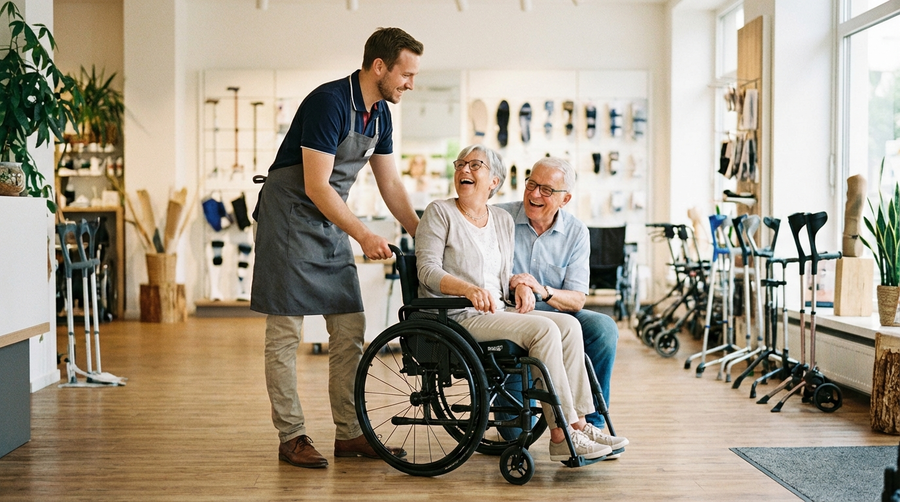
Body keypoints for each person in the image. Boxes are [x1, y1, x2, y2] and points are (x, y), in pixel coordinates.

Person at [250, 28, 423, 469]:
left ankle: (349, 433)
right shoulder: (329, 101)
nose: (410, 84)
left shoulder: (381, 115)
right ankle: (292, 436)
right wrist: (363, 235)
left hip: (327, 219)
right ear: (379, 66)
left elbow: (391, 183)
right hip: (290, 216)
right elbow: (315, 184)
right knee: (286, 334)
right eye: (406, 74)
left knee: (349, 329)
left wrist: (423, 233)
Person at [415, 144, 613, 462]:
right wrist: (467, 289)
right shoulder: (440, 212)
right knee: (545, 329)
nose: (464, 169)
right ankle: (563, 433)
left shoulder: (501, 220)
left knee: (569, 325)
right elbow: (427, 271)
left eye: (474, 165)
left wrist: (518, 283)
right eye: (460, 164)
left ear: (494, 180)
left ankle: (580, 422)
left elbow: (501, 274)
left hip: (497, 310)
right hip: (458, 314)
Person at [495, 157, 628, 455]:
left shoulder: (577, 232)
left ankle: (589, 424)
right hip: (511, 315)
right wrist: (517, 284)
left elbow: (577, 298)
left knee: (602, 327)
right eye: (531, 184)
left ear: (565, 199)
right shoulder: (500, 217)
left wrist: (542, 290)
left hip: (556, 312)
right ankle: (568, 424)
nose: (534, 194)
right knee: (514, 434)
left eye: (546, 189)